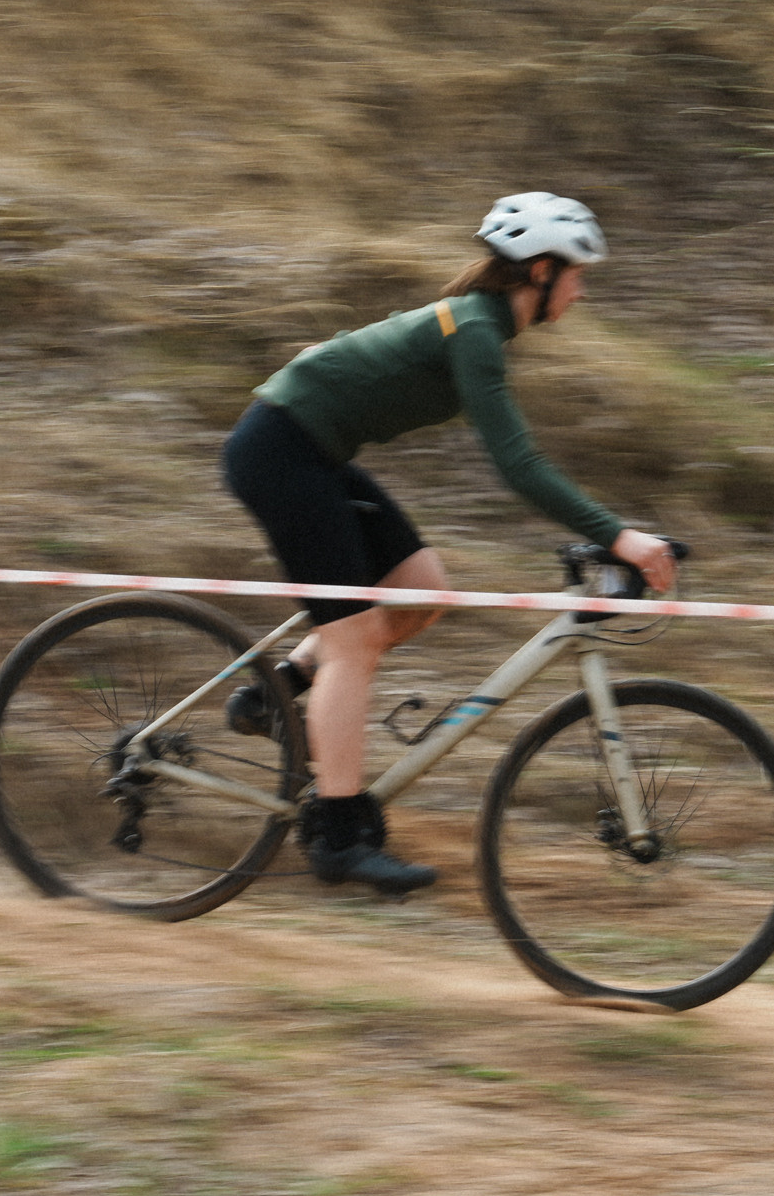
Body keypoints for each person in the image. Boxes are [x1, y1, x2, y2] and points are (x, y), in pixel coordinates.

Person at [220, 193, 679, 895]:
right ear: (541, 272)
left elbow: (337, 358)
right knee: (357, 641)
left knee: (425, 589)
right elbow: (517, 464)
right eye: (579, 276)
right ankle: (338, 836)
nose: (582, 293)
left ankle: (277, 695)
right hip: (283, 455)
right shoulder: (475, 331)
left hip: (312, 451)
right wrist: (621, 537)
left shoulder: (479, 326)